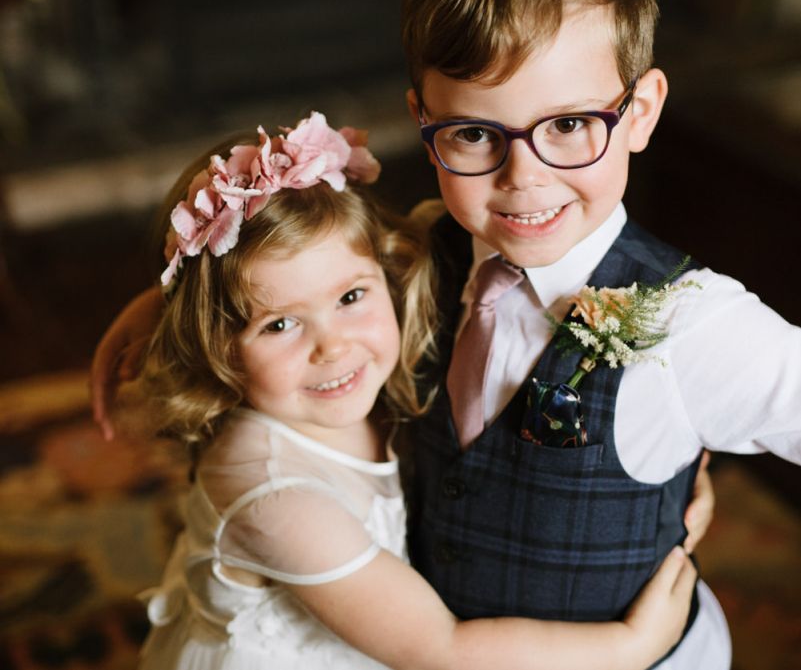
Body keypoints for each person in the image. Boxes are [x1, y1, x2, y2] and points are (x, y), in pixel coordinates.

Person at [116, 112, 698, 670]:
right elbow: (439, 650)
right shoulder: (274, 497)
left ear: (389, 271)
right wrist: (632, 648)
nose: (333, 347)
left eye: (349, 298)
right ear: (214, 346)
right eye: (280, 325)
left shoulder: (358, 374)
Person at [397, 0, 801, 670]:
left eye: (568, 125)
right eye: (476, 133)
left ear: (638, 112)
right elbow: (286, 281)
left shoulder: (690, 326)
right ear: (425, 122)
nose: (524, 178)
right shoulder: (424, 250)